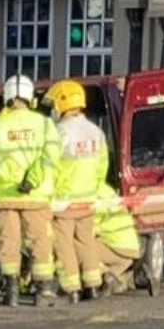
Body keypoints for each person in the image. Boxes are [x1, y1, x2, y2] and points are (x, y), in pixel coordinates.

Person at [0, 74, 61, 306]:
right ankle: (43, 291)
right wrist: (30, 180)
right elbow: (51, 156)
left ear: (6, 97)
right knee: (39, 241)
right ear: (29, 97)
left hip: (5, 195)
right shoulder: (45, 124)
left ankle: (11, 291)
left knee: (8, 242)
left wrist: (11, 178)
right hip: (35, 195)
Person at [46, 79, 109, 303]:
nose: (53, 109)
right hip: (88, 198)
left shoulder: (57, 133)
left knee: (63, 243)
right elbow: (103, 166)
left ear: (63, 103)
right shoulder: (96, 132)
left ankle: (71, 287)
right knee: (86, 241)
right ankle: (92, 285)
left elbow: (49, 167)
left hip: (63, 199)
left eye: (54, 104)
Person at [93, 183, 143, 295]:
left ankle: (105, 274)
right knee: (107, 279)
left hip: (117, 247)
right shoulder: (106, 190)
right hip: (131, 252)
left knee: (78, 246)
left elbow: (87, 231)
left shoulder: (89, 196)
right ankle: (135, 277)